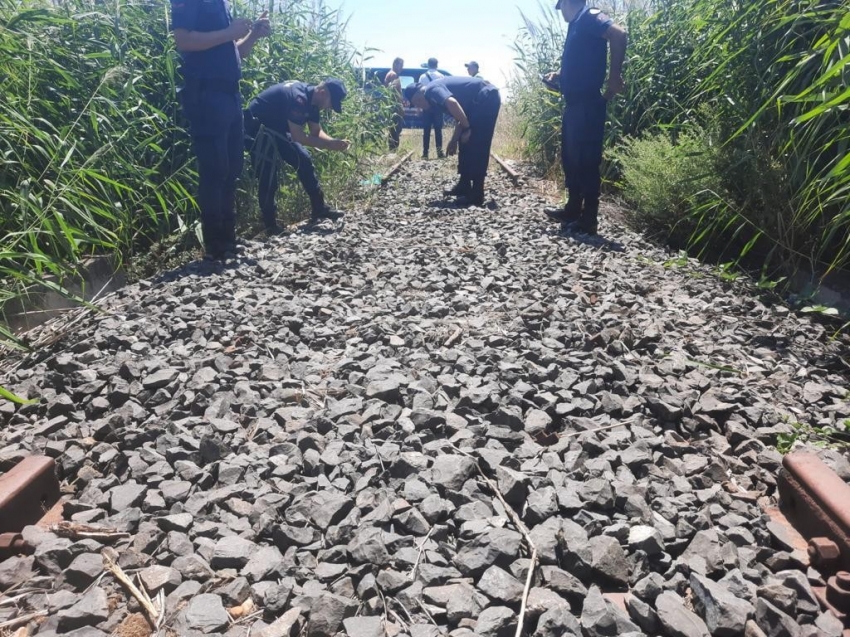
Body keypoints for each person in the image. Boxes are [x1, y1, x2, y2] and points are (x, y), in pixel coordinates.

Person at [170, 0, 270, 260]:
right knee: (215, 169)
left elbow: (233, 51)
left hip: (230, 96)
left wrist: (252, 35)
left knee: (231, 167)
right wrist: (228, 32)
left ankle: (228, 238)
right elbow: (183, 40)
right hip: (206, 95)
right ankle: (215, 244)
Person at [543, 0, 627, 236]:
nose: (561, 13)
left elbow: (619, 34)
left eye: (561, 8)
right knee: (571, 159)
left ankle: (589, 218)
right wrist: (560, 74)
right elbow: (583, 61)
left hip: (588, 104)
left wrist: (614, 76)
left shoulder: (589, 16)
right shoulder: (577, 24)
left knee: (586, 161)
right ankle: (572, 209)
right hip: (574, 104)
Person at [244, 79, 350, 235]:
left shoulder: (313, 102)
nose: (329, 107)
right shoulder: (299, 98)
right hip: (257, 128)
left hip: (278, 127)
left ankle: (319, 208)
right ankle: (270, 225)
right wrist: (328, 145)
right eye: (330, 103)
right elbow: (298, 137)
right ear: (323, 93)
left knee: (303, 159)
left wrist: (334, 142)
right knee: (268, 173)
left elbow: (315, 133)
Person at [404, 76, 501, 207]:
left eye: (416, 103)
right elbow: (459, 116)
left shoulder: (431, 90)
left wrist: (467, 128)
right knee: (465, 141)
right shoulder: (433, 99)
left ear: (417, 96)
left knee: (478, 144)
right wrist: (454, 140)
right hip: (478, 102)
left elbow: (452, 103)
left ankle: (477, 193)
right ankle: (464, 185)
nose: (419, 107)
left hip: (486, 98)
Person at [418, 58, 444, 159]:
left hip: (426, 106)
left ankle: (425, 153)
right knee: (438, 130)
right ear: (437, 65)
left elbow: (420, 92)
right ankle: (439, 153)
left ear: (428, 65)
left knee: (426, 131)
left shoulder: (422, 76)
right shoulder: (441, 76)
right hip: (438, 107)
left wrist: (419, 107)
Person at [384, 57, 404, 151]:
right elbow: (393, 92)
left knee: (394, 130)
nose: (402, 68)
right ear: (395, 64)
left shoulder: (390, 74)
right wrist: (399, 106)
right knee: (395, 129)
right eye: (401, 65)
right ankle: (393, 150)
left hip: (392, 105)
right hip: (394, 106)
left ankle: (392, 150)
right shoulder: (393, 75)